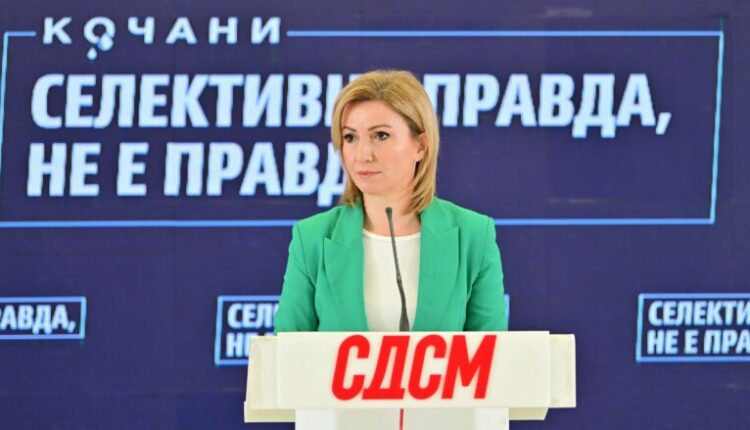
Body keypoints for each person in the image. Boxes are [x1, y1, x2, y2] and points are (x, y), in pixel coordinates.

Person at [274, 69, 507, 333]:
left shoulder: (474, 236)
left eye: (381, 136)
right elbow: (285, 351)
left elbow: (494, 351)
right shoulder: (312, 238)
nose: (363, 154)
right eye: (350, 137)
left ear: (420, 146)